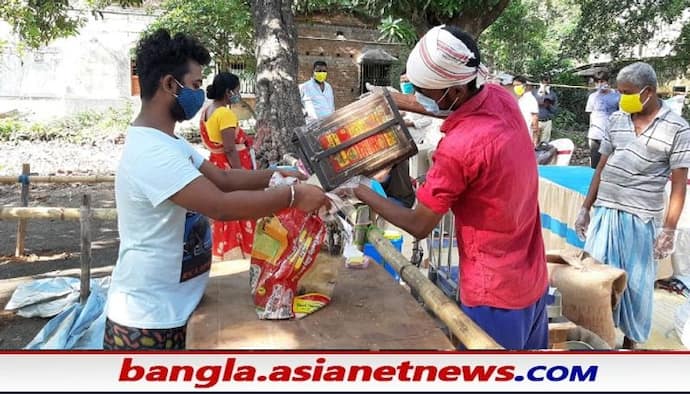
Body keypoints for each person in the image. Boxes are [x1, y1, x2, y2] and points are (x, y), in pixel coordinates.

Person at [104, 29, 329, 350]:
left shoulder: (169, 142)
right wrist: (293, 196)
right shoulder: (152, 153)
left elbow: (224, 179)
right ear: (170, 84)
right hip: (148, 317)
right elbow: (220, 205)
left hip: (175, 304)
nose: (200, 94)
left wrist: (278, 173)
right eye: (195, 85)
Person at [339, 25, 548, 350]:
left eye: (424, 90)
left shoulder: (460, 146)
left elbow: (418, 224)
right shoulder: (499, 97)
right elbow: (446, 105)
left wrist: (358, 189)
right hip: (532, 280)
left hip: (493, 295)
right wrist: (394, 99)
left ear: (454, 90)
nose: (419, 96)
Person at [575, 62, 690, 349]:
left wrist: (668, 230)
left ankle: (630, 344)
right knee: (597, 281)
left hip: (641, 219)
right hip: (606, 213)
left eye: (626, 92)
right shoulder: (616, 120)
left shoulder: (677, 128)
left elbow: (678, 184)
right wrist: (586, 208)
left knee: (637, 288)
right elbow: (601, 167)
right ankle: (597, 339)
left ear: (648, 92)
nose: (620, 97)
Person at [200, 72, 256, 260]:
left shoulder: (208, 110)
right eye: (237, 91)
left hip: (216, 165)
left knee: (223, 209)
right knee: (239, 207)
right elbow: (230, 149)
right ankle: (238, 252)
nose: (238, 94)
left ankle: (222, 249)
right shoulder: (225, 113)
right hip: (230, 167)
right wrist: (240, 176)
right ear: (228, 91)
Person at [585, 70, 620, 168]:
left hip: (610, 136)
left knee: (610, 166)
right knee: (594, 166)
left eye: (602, 81)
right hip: (595, 136)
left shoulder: (617, 95)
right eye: (597, 82)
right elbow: (590, 116)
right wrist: (590, 135)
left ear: (607, 82)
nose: (600, 84)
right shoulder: (592, 97)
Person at [513, 75, 540, 146]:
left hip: (526, 135)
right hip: (517, 134)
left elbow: (535, 120)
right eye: (514, 85)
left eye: (518, 85)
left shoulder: (531, 100)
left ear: (524, 85)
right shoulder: (521, 99)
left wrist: (535, 139)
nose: (515, 87)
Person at [533, 74, 558, 143]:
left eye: (548, 81)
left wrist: (548, 105)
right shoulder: (534, 92)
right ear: (540, 81)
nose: (546, 83)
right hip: (536, 121)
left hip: (547, 122)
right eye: (544, 80)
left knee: (544, 144)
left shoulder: (553, 94)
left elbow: (555, 110)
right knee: (533, 142)